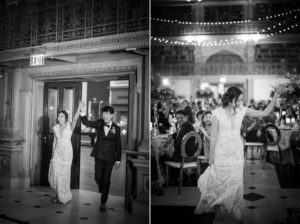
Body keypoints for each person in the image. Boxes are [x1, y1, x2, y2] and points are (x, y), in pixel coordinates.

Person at [195, 85, 284, 222]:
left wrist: (275, 97)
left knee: (235, 180)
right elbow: (213, 137)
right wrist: (211, 156)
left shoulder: (242, 110)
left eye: (242, 100)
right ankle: (218, 207)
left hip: (236, 151)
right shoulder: (217, 113)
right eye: (238, 100)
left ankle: (232, 207)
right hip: (221, 151)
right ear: (230, 99)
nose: (240, 103)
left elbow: (265, 113)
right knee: (219, 180)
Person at [80, 105, 121, 212]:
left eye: (107, 113)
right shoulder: (99, 123)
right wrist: (82, 113)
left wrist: (118, 159)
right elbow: (87, 123)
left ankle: (103, 202)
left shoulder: (116, 128)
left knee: (106, 179)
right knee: (98, 178)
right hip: (99, 155)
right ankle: (103, 189)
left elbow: (118, 145)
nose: (105, 115)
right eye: (103, 113)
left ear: (112, 115)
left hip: (110, 158)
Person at [48, 101, 83, 204]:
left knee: (64, 175)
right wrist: (52, 154)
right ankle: (57, 193)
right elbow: (54, 141)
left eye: (62, 116)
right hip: (57, 153)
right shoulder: (56, 128)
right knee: (55, 173)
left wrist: (79, 107)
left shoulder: (70, 126)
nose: (59, 118)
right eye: (59, 116)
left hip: (67, 152)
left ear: (66, 118)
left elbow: (76, 118)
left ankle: (61, 196)